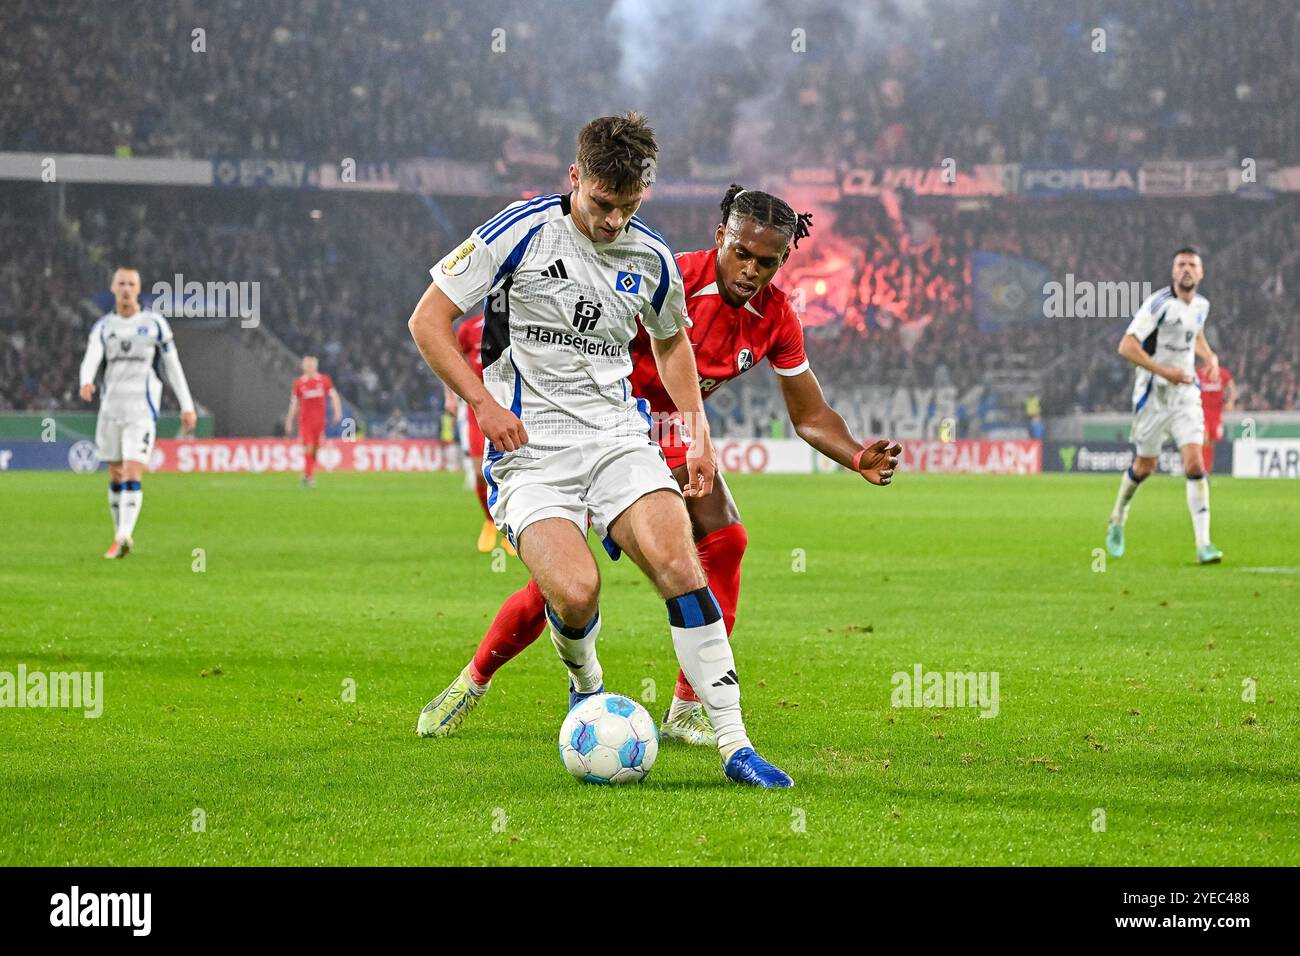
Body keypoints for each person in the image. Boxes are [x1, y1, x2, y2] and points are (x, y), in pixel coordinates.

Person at [417, 184, 900, 748]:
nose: (750, 270)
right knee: (565, 587)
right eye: (741, 253)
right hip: (607, 428)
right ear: (721, 237)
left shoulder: (777, 316)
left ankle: (690, 708)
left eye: (766, 262)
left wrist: (855, 454)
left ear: (784, 260)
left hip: (679, 438)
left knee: (727, 540)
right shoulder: (665, 272)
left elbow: (811, 412)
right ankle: (473, 680)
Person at [407, 113, 792, 786]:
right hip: (530, 450)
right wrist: (484, 403)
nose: (614, 221)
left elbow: (672, 341)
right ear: (575, 178)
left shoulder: (650, 256)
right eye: (603, 204)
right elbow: (428, 319)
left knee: (681, 564)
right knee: (576, 591)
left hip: (617, 437)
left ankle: (734, 743)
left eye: (629, 206)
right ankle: (585, 686)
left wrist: (696, 431)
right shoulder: (519, 232)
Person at [1105, 248, 1223, 564]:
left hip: (1185, 395)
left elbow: (1193, 333)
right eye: (1181, 264)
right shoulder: (1158, 305)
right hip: (1153, 395)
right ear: (1173, 273)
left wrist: (1209, 356)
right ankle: (1118, 516)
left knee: (1195, 465)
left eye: (1192, 265)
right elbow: (1126, 346)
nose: (1186, 269)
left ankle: (1203, 544)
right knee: (1146, 467)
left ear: (1201, 274)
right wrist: (1164, 371)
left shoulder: (1201, 306)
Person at [79, 266, 197, 558]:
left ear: (138, 288)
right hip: (111, 407)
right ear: (112, 287)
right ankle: (118, 536)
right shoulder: (104, 327)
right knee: (116, 472)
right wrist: (86, 380)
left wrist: (187, 404)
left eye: (131, 283)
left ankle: (124, 534)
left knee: (133, 468)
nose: (126, 288)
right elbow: (92, 356)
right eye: (121, 283)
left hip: (141, 409)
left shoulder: (155, 324)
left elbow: (173, 366)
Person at [284, 355, 341, 487]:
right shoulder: (299, 383)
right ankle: (308, 477)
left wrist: (337, 412)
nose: (310, 367)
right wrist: (289, 420)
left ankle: (307, 474)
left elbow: (334, 396)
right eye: (307, 365)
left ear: (316, 366)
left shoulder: (324, 380)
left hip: (320, 422)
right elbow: (294, 403)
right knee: (308, 447)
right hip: (305, 422)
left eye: (312, 365)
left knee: (316, 448)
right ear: (304, 366)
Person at [1197, 360, 1235, 474]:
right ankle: (1201, 468)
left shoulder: (1222, 374)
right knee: (1204, 439)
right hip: (1201, 413)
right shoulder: (1198, 374)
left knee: (1211, 442)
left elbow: (1231, 386)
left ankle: (1207, 469)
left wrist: (1231, 401)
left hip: (1216, 414)